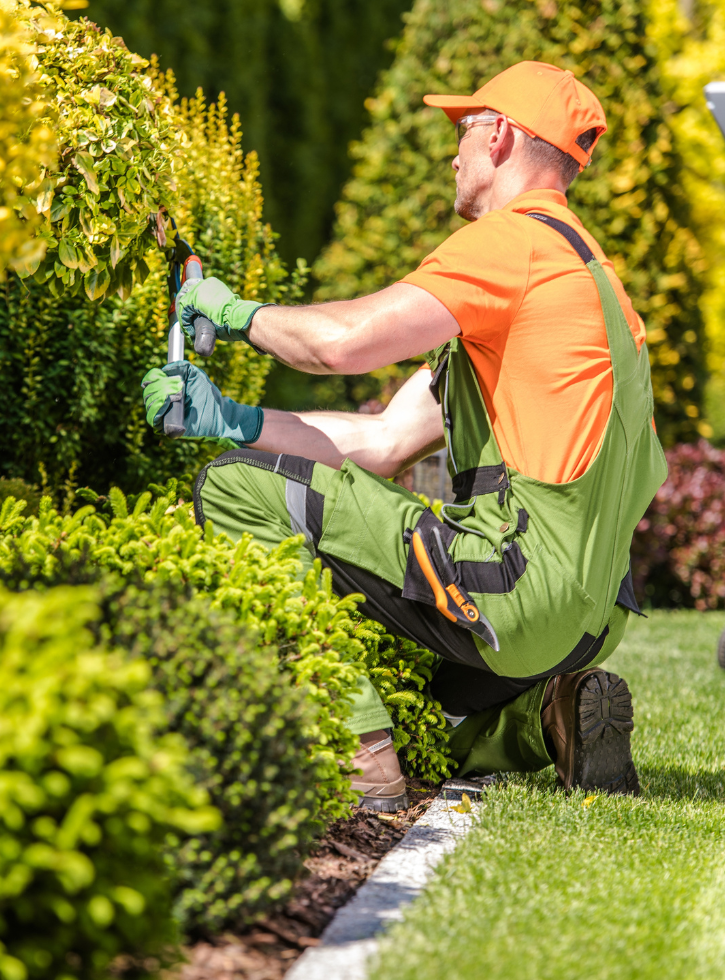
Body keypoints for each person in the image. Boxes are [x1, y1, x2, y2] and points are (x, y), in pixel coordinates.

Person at [141, 61, 667, 807]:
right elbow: (385, 441)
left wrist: (234, 313)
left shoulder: (512, 244)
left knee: (232, 487)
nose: (453, 152)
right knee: (421, 699)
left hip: (516, 586)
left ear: (503, 137)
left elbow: (340, 345)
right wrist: (230, 419)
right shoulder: (590, 281)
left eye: (463, 131)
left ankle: (358, 757)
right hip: (588, 617)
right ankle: (544, 718)